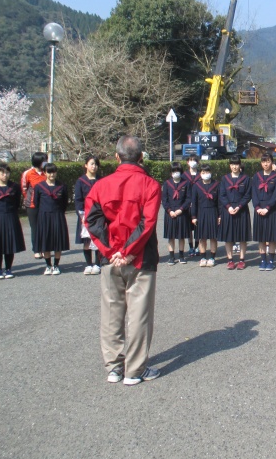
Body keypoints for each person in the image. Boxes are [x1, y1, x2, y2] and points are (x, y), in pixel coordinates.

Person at [85, 135, 162, 386]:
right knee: (139, 316)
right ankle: (135, 370)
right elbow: (147, 222)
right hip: (141, 258)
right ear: (141, 157)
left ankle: (114, 367)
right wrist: (129, 250)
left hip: (111, 259)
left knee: (111, 313)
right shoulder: (150, 185)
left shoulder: (100, 186)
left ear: (116, 157)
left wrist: (112, 251)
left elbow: (92, 221)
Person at [33, 163, 70, 275]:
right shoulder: (39, 187)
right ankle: (48, 265)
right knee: (46, 241)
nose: (51, 174)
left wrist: (58, 211)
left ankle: (56, 265)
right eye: (49, 172)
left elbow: (64, 203)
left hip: (58, 215)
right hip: (44, 216)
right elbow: (36, 202)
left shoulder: (62, 186)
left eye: (53, 171)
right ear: (45, 173)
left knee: (57, 242)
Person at [219, 155, 252, 270]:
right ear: (229, 165)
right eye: (232, 164)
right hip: (227, 211)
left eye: (236, 164)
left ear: (240, 165)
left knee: (242, 236)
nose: (234, 166)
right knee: (229, 236)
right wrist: (228, 207)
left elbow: (248, 195)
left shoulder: (246, 179)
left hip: (241, 210)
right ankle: (230, 260)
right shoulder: (224, 179)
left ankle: (242, 260)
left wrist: (239, 206)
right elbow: (222, 195)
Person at [252, 153, 276, 270]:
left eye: (268, 161)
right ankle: (263, 260)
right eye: (263, 161)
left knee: (271, 237)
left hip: (272, 209)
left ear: (272, 162)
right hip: (259, 209)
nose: (266, 164)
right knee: (261, 237)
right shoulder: (256, 176)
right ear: (261, 163)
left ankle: (271, 261)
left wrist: (267, 208)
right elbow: (254, 193)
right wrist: (257, 207)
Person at [74, 155, 101, 275]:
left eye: (95, 164)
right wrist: (81, 214)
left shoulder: (101, 180)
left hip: (98, 213)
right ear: (86, 165)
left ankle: (97, 264)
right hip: (85, 214)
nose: (94, 166)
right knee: (86, 240)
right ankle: (88, 264)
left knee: (98, 239)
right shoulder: (80, 181)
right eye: (91, 164)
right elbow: (78, 200)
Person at [191, 164, 220, 267]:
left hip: (213, 212)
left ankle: (212, 257)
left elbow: (219, 202)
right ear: (200, 174)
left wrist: (219, 216)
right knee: (201, 237)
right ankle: (203, 257)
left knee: (213, 237)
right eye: (203, 172)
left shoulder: (216, 184)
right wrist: (193, 216)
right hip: (201, 212)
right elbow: (194, 202)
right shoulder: (196, 185)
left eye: (207, 172)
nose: (205, 174)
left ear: (211, 173)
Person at [162, 162, 190, 266]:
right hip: (170, 213)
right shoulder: (167, 183)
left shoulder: (186, 183)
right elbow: (164, 199)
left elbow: (188, 199)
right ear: (171, 173)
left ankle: (182, 256)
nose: (176, 173)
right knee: (171, 236)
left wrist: (181, 209)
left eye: (177, 171)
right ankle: (171, 256)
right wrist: (169, 210)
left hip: (181, 213)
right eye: (174, 171)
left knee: (181, 236)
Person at [21, 152, 47, 259]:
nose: (46, 162)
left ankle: (45, 248)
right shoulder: (28, 173)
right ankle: (36, 249)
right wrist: (28, 199)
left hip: (45, 204)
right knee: (35, 227)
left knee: (45, 227)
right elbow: (24, 188)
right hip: (32, 205)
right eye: (44, 160)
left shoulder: (47, 172)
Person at [182, 154, 200, 258]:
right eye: (190, 160)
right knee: (189, 227)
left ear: (198, 162)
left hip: (198, 204)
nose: (192, 162)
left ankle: (197, 246)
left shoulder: (201, 174)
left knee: (197, 226)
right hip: (187, 205)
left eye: (194, 160)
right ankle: (190, 247)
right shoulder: (184, 176)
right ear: (187, 162)